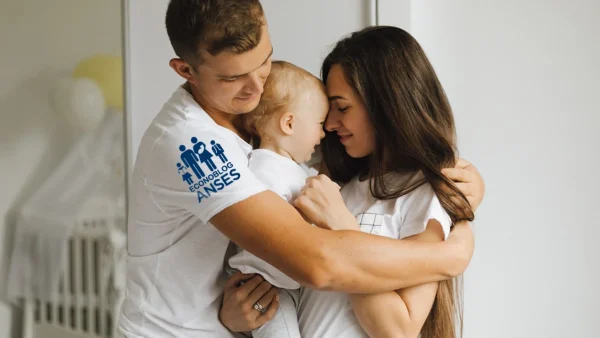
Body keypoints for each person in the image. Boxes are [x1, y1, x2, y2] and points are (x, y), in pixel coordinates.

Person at [118, 1, 485, 337]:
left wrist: (467, 187)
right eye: (233, 78)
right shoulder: (191, 145)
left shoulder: (264, 130)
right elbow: (318, 263)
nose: (256, 88)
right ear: (186, 70)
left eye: (264, 62)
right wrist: (450, 257)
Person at [220, 26, 480, 338]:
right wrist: (237, 318)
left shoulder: (422, 195)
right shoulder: (329, 181)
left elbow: (398, 330)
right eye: (328, 111)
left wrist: (340, 224)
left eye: (342, 108)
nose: (329, 124)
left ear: (388, 105)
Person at [228, 60, 329, 338]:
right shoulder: (263, 170)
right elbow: (269, 225)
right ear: (289, 123)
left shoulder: (291, 168)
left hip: (285, 283)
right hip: (264, 287)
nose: (323, 134)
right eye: (319, 124)